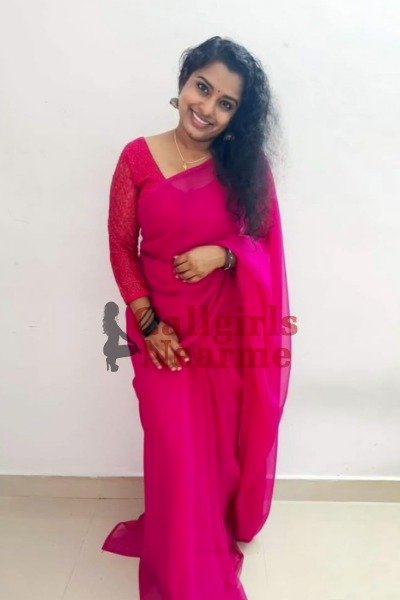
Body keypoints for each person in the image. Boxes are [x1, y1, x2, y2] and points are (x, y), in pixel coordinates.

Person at [101, 35, 292, 600]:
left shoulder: (245, 168)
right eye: (201, 88)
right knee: (173, 449)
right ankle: (180, 569)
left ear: (236, 115)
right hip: (159, 331)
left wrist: (224, 254)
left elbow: (264, 247)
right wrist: (148, 324)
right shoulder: (136, 157)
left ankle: (202, 533)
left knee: (211, 453)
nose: (206, 108)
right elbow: (121, 248)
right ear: (183, 83)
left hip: (221, 333)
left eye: (225, 103)